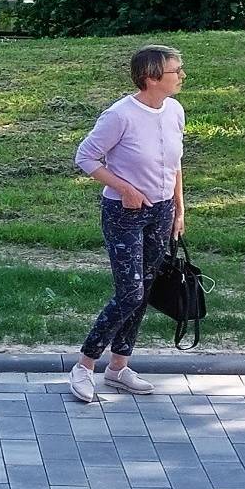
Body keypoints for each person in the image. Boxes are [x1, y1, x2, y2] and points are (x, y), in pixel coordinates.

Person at [68, 45, 188, 403]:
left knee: (146, 290)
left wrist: (179, 210)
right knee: (130, 292)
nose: (181, 76)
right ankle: (84, 365)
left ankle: (119, 367)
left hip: (162, 211)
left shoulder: (175, 110)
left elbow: (175, 164)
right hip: (124, 213)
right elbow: (85, 157)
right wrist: (123, 188)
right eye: (175, 71)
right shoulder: (120, 115)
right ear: (151, 77)